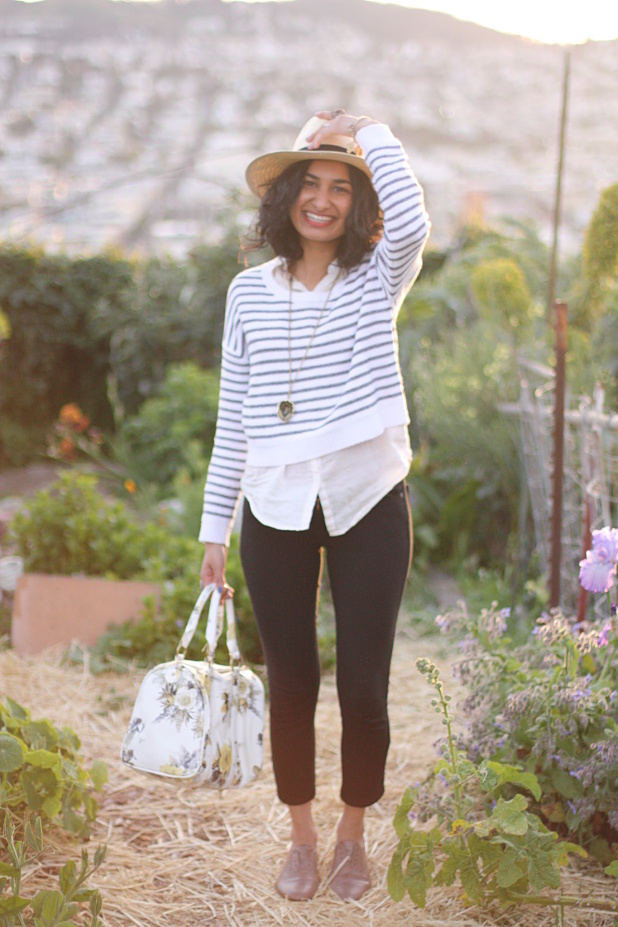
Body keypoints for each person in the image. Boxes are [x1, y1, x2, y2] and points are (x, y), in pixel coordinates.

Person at [199, 108, 430, 901]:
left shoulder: (377, 277)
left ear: (358, 203)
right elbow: (232, 416)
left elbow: (415, 219)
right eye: (312, 183)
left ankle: (353, 837)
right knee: (291, 681)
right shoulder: (246, 294)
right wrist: (213, 531)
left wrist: (371, 131)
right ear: (288, 195)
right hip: (274, 503)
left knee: (364, 684)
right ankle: (299, 839)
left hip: (369, 500)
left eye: (342, 187)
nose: (324, 200)